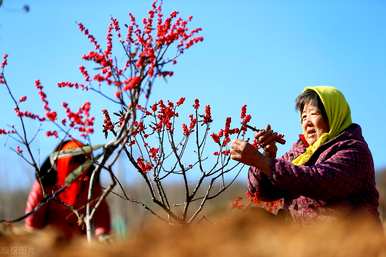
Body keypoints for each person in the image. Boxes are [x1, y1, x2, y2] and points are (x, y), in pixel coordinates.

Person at [230, 86, 381, 224]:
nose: (307, 122)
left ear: (334, 115)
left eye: (313, 114)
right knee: (248, 221)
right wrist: (267, 155)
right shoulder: (300, 153)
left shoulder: (354, 151)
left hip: (344, 243)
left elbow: (319, 180)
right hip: (298, 240)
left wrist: (263, 162)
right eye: (303, 117)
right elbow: (262, 192)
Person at [25, 139, 111, 238]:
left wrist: (103, 235)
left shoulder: (91, 179)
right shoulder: (45, 181)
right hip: (51, 241)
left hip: (79, 244)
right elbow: (32, 221)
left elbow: (101, 213)